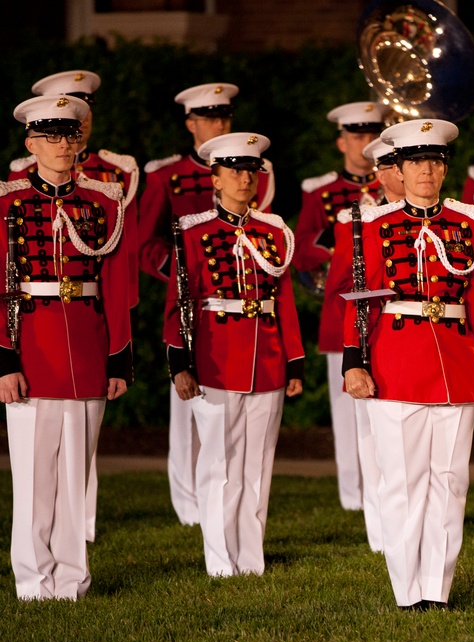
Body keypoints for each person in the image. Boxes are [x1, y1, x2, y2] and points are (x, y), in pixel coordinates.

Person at [343, 118, 474, 610]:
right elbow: (362, 298)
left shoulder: (470, 224)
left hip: (457, 361)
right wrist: (353, 362)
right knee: (403, 483)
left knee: (450, 483)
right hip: (395, 360)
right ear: (399, 170)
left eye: (434, 161)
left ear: (444, 168)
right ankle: (407, 590)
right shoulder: (375, 224)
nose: (426, 170)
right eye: (416, 162)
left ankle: (437, 588)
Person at [1, 95, 131, 600]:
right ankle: (34, 582)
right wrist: (4, 358)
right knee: (34, 479)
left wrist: (119, 357)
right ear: (30, 143)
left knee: (77, 478)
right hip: (31, 348)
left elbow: (115, 286)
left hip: (88, 347)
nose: (62, 145)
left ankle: (72, 581)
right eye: (50, 136)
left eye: (70, 135)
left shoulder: (105, 201)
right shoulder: (7, 202)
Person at [164, 132, 304, 576]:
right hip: (215, 357)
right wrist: (179, 362)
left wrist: (295, 360)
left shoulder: (274, 231)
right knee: (219, 464)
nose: (246, 179)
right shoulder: (194, 231)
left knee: (257, 465)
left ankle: (251, 559)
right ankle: (222, 562)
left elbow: (284, 301)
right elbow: (179, 302)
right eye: (236, 171)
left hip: (268, 357)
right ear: (216, 178)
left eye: (252, 171)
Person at [138, 82, 275, 527]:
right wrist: (184, 276)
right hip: (190, 300)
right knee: (188, 407)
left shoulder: (256, 171)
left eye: (224, 117)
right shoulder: (165, 175)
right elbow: (145, 243)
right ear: (190, 124)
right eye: (209, 118)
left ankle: (229, 502)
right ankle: (189, 505)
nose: (218, 124)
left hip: (239, 301)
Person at [294, 101, 386, 512]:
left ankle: (381, 490)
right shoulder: (322, 192)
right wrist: (339, 241)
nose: (365, 143)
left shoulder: (394, 184)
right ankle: (353, 497)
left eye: (371, 135)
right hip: (341, 314)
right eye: (357, 135)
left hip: (386, 311)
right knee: (348, 410)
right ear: (341, 142)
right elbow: (301, 249)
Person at [338, 136, 401, 554]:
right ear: (380, 173)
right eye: (393, 166)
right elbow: (342, 286)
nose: (403, 173)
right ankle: (381, 533)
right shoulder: (360, 221)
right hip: (372, 336)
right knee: (372, 439)